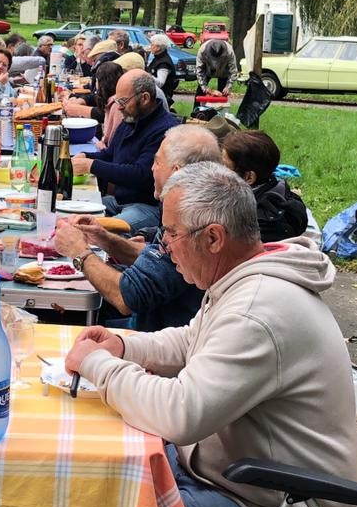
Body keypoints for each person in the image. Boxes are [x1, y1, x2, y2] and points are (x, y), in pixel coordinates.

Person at [63, 163, 356, 507]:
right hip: (253, 483)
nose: (163, 247)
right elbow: (192, 341)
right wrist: (124, 347)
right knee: (133, 479)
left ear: (213, 237)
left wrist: (101, 366)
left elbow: (181, 414)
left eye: (170, 234)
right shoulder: (248, 278)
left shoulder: (256, 309)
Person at [50, 126, 221, 331]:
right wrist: (103, 237)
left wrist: (79, 252)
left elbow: (127, 297)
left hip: (162, 337)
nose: (151, 168)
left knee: (60, 314)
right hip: (160, 325)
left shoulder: (190, 218)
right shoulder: (202, 201)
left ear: (177, 172)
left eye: (157, 162)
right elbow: (156, 256)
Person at [72, 69, 181, 231]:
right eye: (117, 101)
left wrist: (91, 165)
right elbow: (110, 155)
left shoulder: (165, 129)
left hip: (146, 207)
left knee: (96, 231)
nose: (119, 108)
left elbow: (142, 175)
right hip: (118, 201)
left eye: (123, 101)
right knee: (71, 214)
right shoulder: (130, 119)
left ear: (145, 98)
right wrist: (85, 156)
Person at [221, 130, 307, 242]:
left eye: (225, 167)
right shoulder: (276, 189)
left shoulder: (261, 226)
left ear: (249, 177)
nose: (218, 171)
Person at [145, 34, 180, 107]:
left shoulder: (164, 63)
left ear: (158, 48)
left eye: (152, 44)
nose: (150, 46)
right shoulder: (158, 58)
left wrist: (147, 75)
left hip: (161, 97)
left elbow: (160, 83)